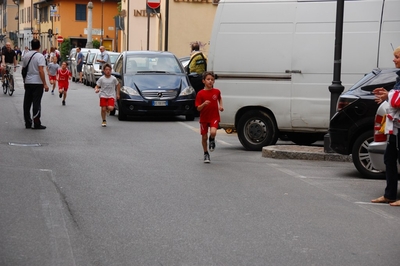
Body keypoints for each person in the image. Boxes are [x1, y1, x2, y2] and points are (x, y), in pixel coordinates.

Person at [371, 45, 400, 206]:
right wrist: (387, 93)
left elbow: (398, 100)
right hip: (396, 126)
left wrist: (388, 95)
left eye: (397, 57)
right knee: (389, 158)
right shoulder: (399, 77)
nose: (393, 60)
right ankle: (389, 194)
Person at [195, 71, 224, 163]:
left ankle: (212, 139)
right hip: (204, 118)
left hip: (214, 116)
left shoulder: (217, 91)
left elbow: (220, 98)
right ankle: (206, 153)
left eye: (212, 79)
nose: (210, 81)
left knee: (213, 132)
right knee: (204, 138)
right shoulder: (200, 94)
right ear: (203, 81)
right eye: (208, 79)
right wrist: (203, 104)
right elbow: (198, 109)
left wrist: (220, 106)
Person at [22, 39, 49, 129]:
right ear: (39, 46)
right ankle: (36, 122)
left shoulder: (26, 56)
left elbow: (23, 70)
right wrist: (44, 83)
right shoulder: (40, 56)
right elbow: (41, 70)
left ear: (31, 45)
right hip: (37, 82)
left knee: (27, 103)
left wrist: (24, 81)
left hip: (28, 82)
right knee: (36, 103)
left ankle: (27, 122)